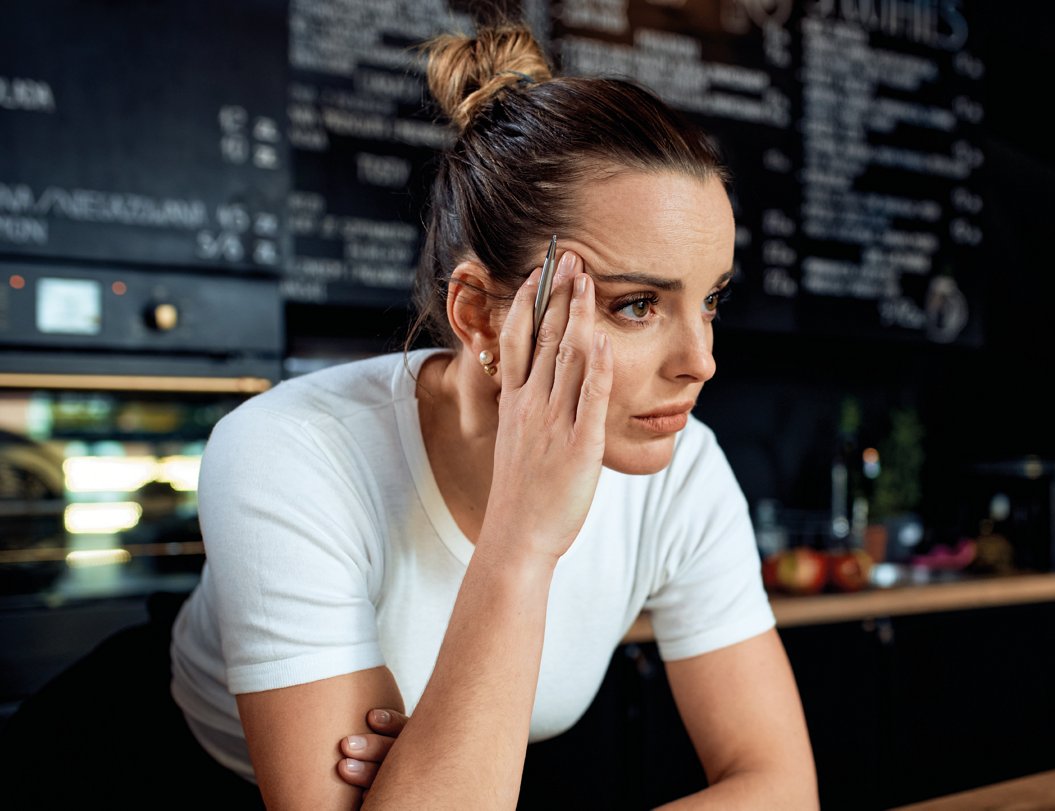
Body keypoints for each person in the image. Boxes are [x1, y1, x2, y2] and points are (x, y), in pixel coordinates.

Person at [165, 21, 817, 809]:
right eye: (636, 304)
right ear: (478, 316)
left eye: (710, 298)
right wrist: (521, 541)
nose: (701, 360)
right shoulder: (289, 453)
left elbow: (781, 787)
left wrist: (424, 774)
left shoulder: (683, 468)